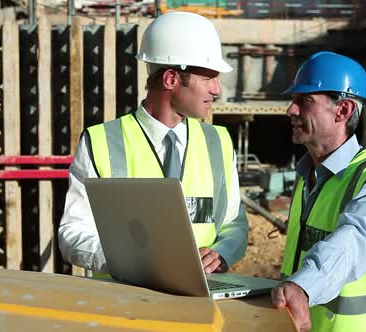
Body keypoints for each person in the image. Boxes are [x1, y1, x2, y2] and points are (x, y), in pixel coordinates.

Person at [58, 12, 248, 277]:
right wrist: (124, 261)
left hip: (199, 303)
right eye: (208, 78)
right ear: (171, 79)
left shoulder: (219, 142)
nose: (217, 90)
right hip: (124, 305)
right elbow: (73, 232)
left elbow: (233, 223)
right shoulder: (100, 142)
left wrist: (223, 253)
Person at [271, 51, 366, 332]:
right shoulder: (306, 175)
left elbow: (355, 239)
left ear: (343, 110)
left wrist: (303, 287)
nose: (291, 110)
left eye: (305, 100)